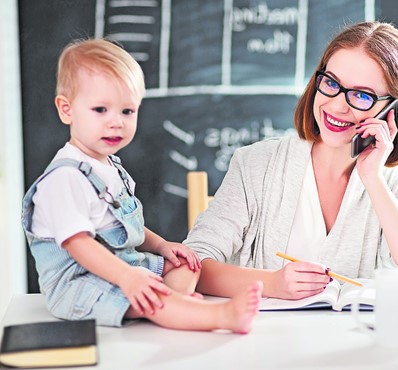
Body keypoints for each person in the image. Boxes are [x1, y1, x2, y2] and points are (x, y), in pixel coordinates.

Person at [184, 21, 398, 300]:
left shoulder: (390, 183)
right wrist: (272, 284)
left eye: (361, 95)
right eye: (331, 83)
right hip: (261, 340)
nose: (336, 105)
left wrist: (372, 178)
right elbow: (192, 263)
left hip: (349, 342)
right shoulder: (255, 165)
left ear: (393, 109)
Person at [21, 38, 262, 333]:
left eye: (127, 111)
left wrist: (162, 246)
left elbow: (127, 226)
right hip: (81, 284)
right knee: (153, 297)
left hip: (125, 265)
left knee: (188, 263)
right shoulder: (64, 179)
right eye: (100, 110)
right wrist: (128, 278)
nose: (116, 122)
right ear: (67, 109)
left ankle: (176, 303)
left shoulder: (111, 168)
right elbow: (80, 245)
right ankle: (217, 316)